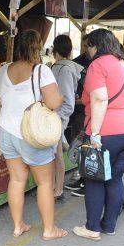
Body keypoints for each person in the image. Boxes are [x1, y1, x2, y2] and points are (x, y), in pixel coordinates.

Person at [0, 29, 67, 241]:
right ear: (38, 47)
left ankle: (18, 226)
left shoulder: (4, 70)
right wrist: (58, 98)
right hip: (31, 133)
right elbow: (53, 102)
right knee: (44, 183)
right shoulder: (41, 70)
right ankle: (49, 229)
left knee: (16, 179)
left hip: (6, 130)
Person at [72, 28, 124, 241]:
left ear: (95, 45)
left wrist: (95, 132)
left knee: (94, 178)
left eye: (88, 47)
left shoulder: (98, 64)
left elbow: (100, 99)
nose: (88, 51)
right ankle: (109, 225)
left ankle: (92, 227)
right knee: (113, 177)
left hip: (108, 130)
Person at [51, 34, 83, 201]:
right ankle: (52, 188)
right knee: (52, 154)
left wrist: (56, 118)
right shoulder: (61, 67)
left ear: (55, 50)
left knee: (56, 154)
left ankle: (58, 190)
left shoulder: (64, 69)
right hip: (52, 116)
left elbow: (68, 102)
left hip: (55, 118)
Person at [65, 35, 91, 197]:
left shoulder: (99, 62)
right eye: (83, 45)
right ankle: (81, 177)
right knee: (77, 143)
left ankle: (87, 180)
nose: (84, 49)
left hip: (89, 109)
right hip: (77, 110)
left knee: (87, 147)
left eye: (87, 45)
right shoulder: (77, 61)